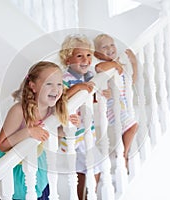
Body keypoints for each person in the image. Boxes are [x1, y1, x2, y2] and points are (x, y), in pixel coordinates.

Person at [0, 61, 79, 200]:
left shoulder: (52, 110)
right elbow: (3, 144)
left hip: (35, 164)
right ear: (33, 87)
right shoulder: (19, 110)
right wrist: (28, 132)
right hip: (14, 170)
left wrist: (67, 127)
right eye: (49, 83)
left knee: (38, 190)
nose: (56, 88)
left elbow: (53, 133)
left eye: (59, 84)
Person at [58, 34, 103, 200]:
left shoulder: (88, 75)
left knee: (82, 168)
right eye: (79, 56)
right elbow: (61, 100)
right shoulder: (65, 78)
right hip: (74, 131)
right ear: (67, 59)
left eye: (89, 55)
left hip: (85, 130)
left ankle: (82, 197)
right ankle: (91, 196)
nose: (85, 59)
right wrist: (80, 87)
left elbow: (93, 93)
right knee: (97, 164)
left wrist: (99, 93)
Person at [93, 33, 138, 169]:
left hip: (122, 103)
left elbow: (132, 81)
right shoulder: (104, 65)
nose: (110, 48)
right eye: (104, 47)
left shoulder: (119, 65)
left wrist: (134, 63)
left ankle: (123, 153)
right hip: (112, 105)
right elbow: (99, 68)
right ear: (97, 53)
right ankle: (123, 154)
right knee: (133, 126)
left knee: (127, 128)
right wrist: (115, 64)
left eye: (112, 45)